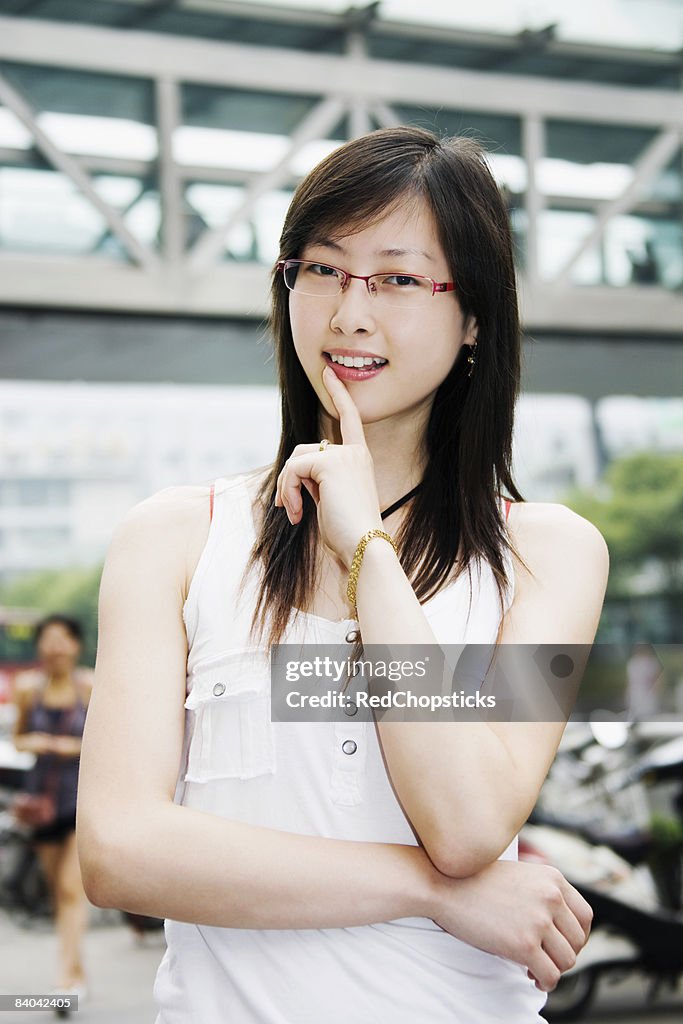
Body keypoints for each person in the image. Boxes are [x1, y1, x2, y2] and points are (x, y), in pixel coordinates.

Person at [77, 127, 609, 1023]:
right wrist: (434, 892)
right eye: (320, 269)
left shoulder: (545, 555)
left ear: (474, 315)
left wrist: (367, 550)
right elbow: (120, 851)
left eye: (399, 279)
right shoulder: (175, 538)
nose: (348, 313)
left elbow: (470, 822)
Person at [12, 614, 92, 1004]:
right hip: (43, 801)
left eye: (62, 639)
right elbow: (19, 739)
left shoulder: (89, 686)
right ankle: (75, 972)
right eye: (47, 639)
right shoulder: (29, 688)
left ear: (75, 645)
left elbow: (105, 743)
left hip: (81, 799)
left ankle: (64, 981)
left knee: (69, 888)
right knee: (57, 892)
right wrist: (37, 740)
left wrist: (68, 747)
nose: (54, 646)